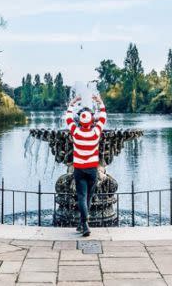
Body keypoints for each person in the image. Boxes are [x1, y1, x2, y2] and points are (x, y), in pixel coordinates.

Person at [66, 94, 107, 237]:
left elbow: (68, 118)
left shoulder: (76, 132)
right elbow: (103, 118)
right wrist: (99, 102)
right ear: (91, 121)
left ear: (80, 121)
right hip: (92, 170)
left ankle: (83, 224)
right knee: (88, 197)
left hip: (79, 170)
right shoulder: (95, 132)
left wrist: (72, 103)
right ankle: (84, 223)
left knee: (82, 196)